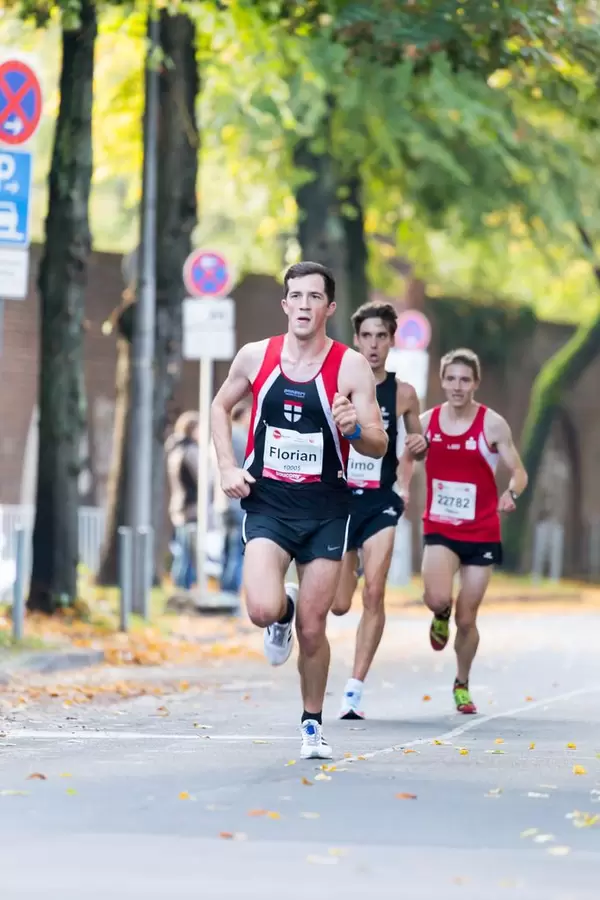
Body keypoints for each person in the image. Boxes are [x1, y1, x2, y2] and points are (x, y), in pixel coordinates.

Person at [211, 261, 388, 759]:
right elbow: (218, 407)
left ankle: (312, 722)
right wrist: (227, 466)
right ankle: (279, 613)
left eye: (315, 297)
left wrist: (354, 429)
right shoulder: (255, 357)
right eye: (297, 296)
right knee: (262, 608)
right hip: (268, 503)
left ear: (329, 308)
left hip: (327, 509)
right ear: (285, 304)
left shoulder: (350, 366)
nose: (305, 305)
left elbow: (377, 443)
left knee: (315, 627)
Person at [401, 347, 528, 715]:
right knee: (438, 598)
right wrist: (403, 487)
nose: (457, 386)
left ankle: (461, 682)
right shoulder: (425, 422)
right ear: (442, 382)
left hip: (482, 531)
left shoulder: (492, 424)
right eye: (451, 379)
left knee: (468, 618)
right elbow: (405, 457)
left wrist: (511, 491)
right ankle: (439, 615)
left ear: (475, 384)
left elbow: (518, 470)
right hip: (440, 526)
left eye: (465, 380)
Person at [331, 302, 428, 719]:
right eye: (366, 336)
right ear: (356, 340)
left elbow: (415, 443)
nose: (373, 345)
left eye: (381, 336)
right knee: (337, 604)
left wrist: (408, 476)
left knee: (374, 590)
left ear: (392, 340)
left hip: (380, 502)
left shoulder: (404, 394)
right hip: (339, 500)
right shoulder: (337, 383)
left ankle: (354, 688)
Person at [219, 401, 251, 594]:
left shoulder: (226, 438)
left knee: (226, 549)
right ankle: (230, 592)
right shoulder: (240, 437)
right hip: (237, 501)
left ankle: (225, 588)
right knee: (236, 551)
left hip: (223, 503)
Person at [165, 411, 199, 589]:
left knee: (181, 549)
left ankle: (179, 587)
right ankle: (182, 588)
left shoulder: (175, 450)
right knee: (187, 552)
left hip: (178, 504)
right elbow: (202, 477)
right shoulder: (191, 451)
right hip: (190, 506)